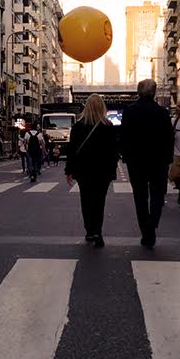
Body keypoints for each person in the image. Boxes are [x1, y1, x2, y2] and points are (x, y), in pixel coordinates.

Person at [121, 79, 174, 248]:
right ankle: (152, 223)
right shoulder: (163, 113)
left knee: (140, 196)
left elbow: (124, 137)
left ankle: (146, 230)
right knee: (158, 195)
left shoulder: (129, 112)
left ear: (138, 92)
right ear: (154, 93)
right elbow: (169, 139)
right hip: (159, 162)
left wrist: (126, 156)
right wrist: (168, 159)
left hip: (136, 162)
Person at [64, 94, 118, 248]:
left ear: (86, 107)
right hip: (103, 171)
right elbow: (113, 151)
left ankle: (89, 230)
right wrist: (112, 170)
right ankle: (98, 232)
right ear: (102, 107)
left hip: (83, 171)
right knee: (99, 202)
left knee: (86, 201)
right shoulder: (108, 126)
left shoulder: (78, 126)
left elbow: (72, 150)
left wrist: (69, 170)